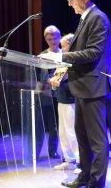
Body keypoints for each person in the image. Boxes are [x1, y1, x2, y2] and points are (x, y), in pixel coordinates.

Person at [43, 0, 111, 188]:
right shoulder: (86, 18)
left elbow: (93, 52)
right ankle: (84, 176)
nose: (69, 3)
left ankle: (96, 182)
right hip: (82, 87)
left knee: (97, 140)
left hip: (93, 87)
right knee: (82, 138)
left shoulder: (98, 18)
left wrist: (61, 57)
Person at [49, 33, 81, 174]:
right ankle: (69, 160)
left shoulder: (76, 63)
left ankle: (80, 162)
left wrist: (62, 83)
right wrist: (53, 83)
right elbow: (56, 82)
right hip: (61, 101)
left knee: (73, 133)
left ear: (72, 45)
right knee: (62, 133)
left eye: (63, 46)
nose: (61, 49)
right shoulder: (62, 63)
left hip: (72, 102)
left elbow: (77, 85)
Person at [37, 25, 61, 160]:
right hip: (46, 95)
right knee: (41, 126)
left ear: (59, 37)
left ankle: (53, 151)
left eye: (55, 38)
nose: (53, 42)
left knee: (55, 126)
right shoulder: (42, 55)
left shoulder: (65, 54)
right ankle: (36, 153)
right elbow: (39, 76)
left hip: (60, 95)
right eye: (49, 39)